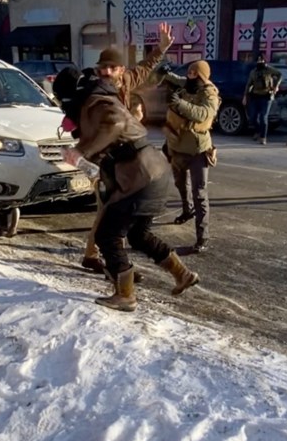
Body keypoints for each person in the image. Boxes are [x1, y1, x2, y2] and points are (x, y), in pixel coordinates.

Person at [56, 67, 199, 312]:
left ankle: (125, 294)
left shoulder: (95, 102)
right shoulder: (99, 99)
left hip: (140, 176)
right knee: (138, 235)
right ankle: (182, 274)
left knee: (107, 235)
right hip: (153, 172)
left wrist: (82, 152)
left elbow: (117, 122)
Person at [80, 22, 174, 274]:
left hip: (125, 160)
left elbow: (146, 67)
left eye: (113, 67)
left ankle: (98, 256)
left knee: (112, 211)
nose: (108, 72)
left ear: (121, 69)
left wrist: (161, 48)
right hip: (106, 159)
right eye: (103, 68)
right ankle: (110, 262)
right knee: (110, 211)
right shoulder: (92, 90)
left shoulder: (128, 81)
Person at [162, 60, 220, 253]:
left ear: (202, 76)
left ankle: (203, 237)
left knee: (200, 194)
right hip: (177, 146)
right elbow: (175, 79)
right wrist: (164, 70)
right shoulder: (187, 84)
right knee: (180, 184)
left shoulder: (209, 94)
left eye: (193, 73)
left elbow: (203, 114)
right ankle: (187, 211)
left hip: (198, 150)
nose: (189, 76)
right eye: (188, 72)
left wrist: (180, 103)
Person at [242, 56, 282, 144]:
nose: (260, 62)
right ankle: (257, 131)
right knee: (252, 117)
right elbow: (249, 84)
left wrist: (276, 86)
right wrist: (245, 96)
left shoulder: (269, 70)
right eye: (258, 60)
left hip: (266, 96)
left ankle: (263, 137)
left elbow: (279, 74)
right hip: (255, 96)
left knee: (263, 117)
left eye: (261, 60)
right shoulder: (253, 72)